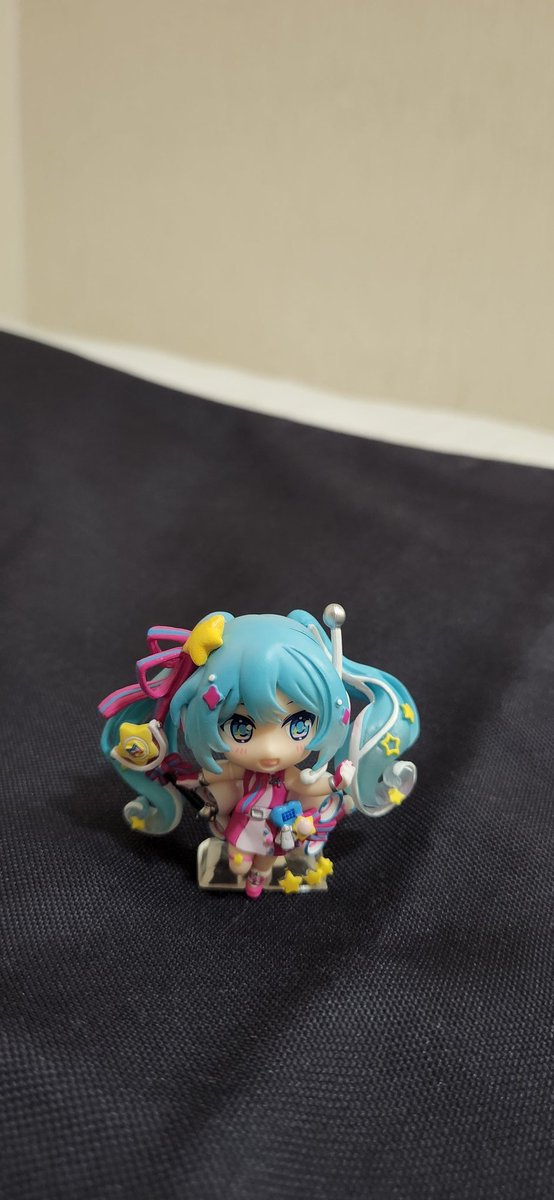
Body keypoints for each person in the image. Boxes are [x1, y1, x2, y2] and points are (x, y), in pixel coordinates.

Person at [99, 606, 419, 898]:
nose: (270, 750)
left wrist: (337, 781)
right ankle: (244, 868)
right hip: (242, 824)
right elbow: (220, 774)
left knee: (265, 861)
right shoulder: (244, 772)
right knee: (237, 859)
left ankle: (258, 878)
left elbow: (308, 785)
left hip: (275, 831)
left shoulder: (288, 776)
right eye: (241, 729)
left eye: (298, 725)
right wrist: (193, 778)